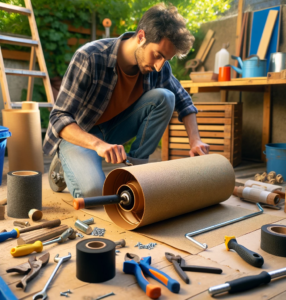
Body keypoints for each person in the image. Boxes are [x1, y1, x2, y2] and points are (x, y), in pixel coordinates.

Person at [44, 3, 210, 198]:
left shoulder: (159, 67)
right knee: (95, 192)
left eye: (166, 59)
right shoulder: (90, 57)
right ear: (141, 37)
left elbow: (183, 100)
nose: (159, 66)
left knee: (166, 97)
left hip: (114, 130)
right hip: (81, 135)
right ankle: (63, 162)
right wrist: (97, 145)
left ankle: (134, 173)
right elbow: (59, 117)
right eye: (157, 55)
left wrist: (195, 139)